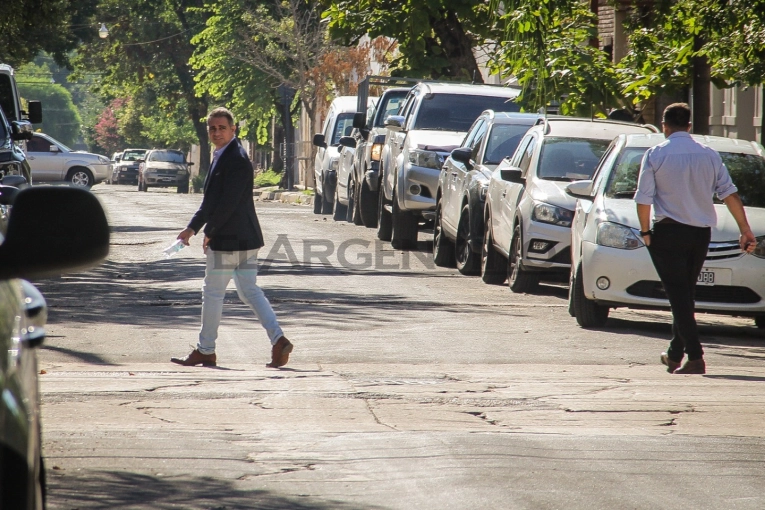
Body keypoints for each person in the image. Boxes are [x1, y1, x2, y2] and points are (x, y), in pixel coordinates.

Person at [635, 103, 756, 375]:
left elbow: (643, 199)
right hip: (700, 234)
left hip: (668, 232)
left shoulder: (656, 154)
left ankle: (696, 356)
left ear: (664, 126)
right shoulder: (709, 155)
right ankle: (675, 353)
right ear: (689, 126)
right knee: (685, 293)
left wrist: (645, 232)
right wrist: (745, 229)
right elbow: (729, 194)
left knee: (677, 295)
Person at [171, 107, 293, 369]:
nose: (217, 132)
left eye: (222, 127)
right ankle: (278, 339)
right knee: (249, 290)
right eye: (212, 128)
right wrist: (191, 229)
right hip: (245, 239)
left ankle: (206, 350)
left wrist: (210, 232)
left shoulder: (236, 158)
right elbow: (210, 202)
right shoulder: (223, 155)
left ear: (233, 129)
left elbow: (227, 203)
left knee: (213, 293)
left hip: (230, 239)